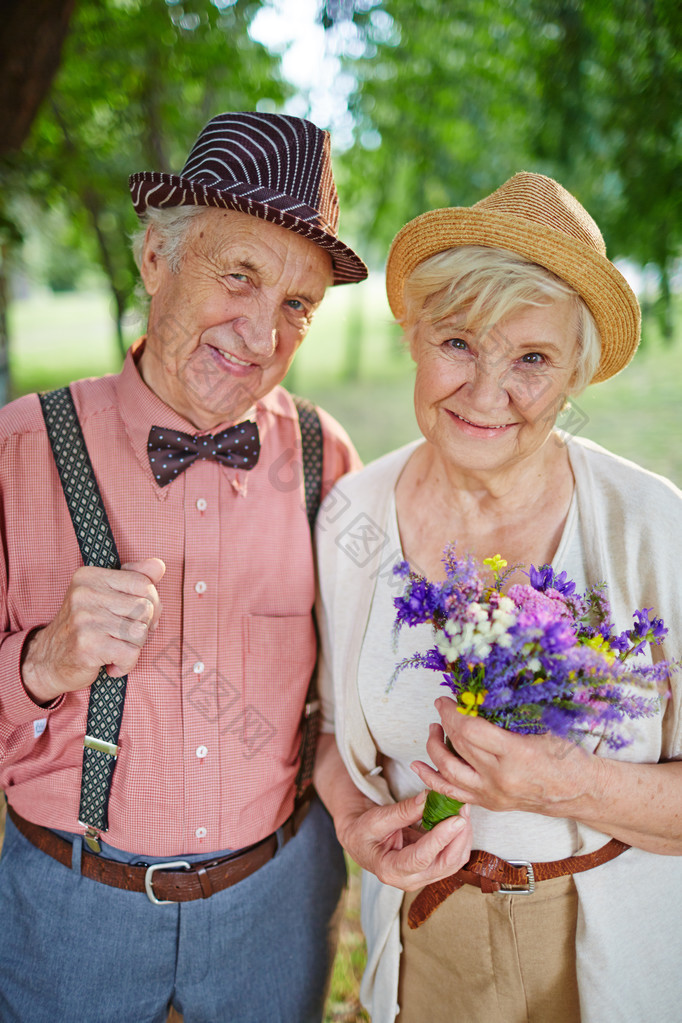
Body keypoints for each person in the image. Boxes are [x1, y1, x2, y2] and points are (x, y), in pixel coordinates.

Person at [0, 111, 368, 1023]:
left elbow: (347, 705)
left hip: (277, 909)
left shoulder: (330, 461)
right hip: (69, 911)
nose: (259, 330)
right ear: (155, 260)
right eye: (237, 275)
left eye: (297, 305)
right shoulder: (17, 450)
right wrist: (44, 659)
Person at [313, 172, 682, 1023]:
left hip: (615, 952)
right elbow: (330, 730)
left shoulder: (651, 527)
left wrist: (567, 782)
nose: (486, 394)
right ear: (414, 338)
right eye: (458, 343)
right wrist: (350, 817)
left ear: (575, 374)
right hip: (428, 939)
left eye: (531, 358)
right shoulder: (351, 517)